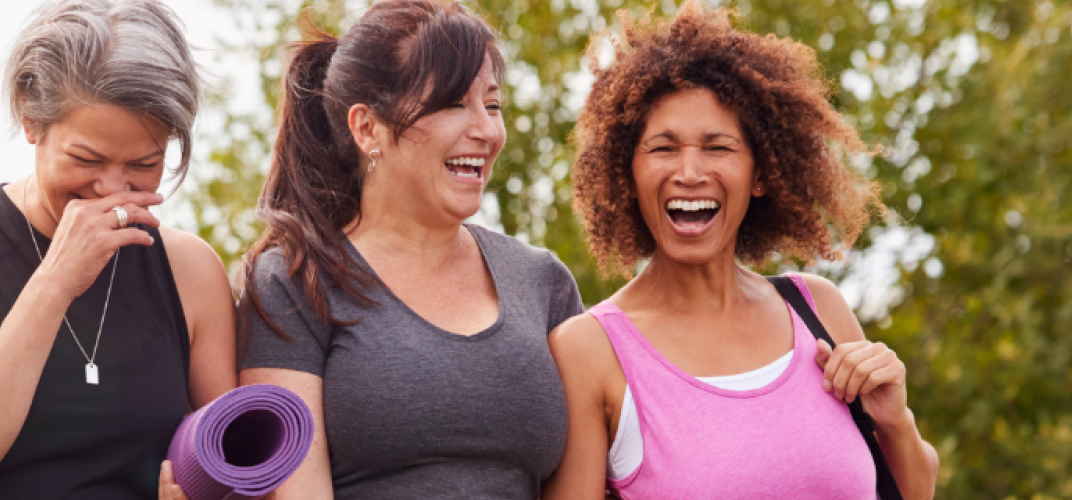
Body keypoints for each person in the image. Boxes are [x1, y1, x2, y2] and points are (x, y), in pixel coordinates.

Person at [544, 2, 939, 498]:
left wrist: (896, 420)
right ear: (629, 174)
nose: (689, 172)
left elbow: (915, 489)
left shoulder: (818, 310)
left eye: (718, 147)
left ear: (761, 174)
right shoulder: (590, 350)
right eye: (664, 147)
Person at [0, 0, 238, 498]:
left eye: (144, 165)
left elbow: (232, 467)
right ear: (31, 120)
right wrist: (56, 281)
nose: (113, 189)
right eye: (86, 158)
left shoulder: (190, 271)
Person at [236, 1, 585, 498]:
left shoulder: (543, 281)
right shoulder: (293, 281)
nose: (487, 130)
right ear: (367, 129)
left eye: (493, 104)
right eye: (452, 104)